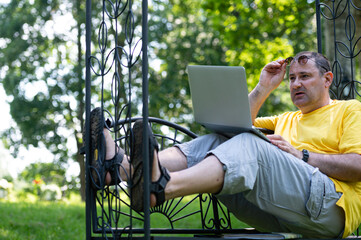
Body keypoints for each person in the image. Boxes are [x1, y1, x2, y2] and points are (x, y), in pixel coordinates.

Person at [87, 51, 361, 238]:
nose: (295, 84)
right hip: (279, 211)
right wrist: (264, 86)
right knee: (222, 137)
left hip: (331, 208)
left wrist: (301, 155)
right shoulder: (286, 119)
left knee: (249, 145)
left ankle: (162, 187)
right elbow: (238, 121)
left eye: (305, 77)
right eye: (292, 78)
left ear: (327, 80)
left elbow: (358, 165)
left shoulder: (349, 110)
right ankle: (120, 168)